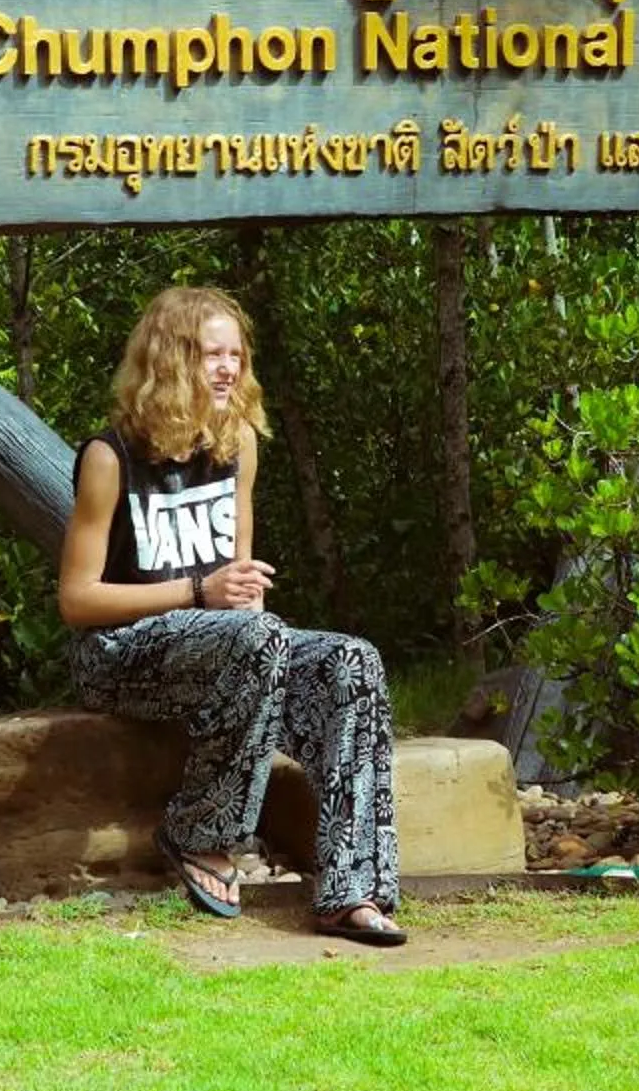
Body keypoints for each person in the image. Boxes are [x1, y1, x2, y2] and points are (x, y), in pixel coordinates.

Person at [57, 285, 404, 944]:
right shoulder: (110, 457)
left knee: (352, 663)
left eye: (236, 356)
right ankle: (199, 829)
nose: (228, 369)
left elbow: (241, 592)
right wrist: (197, 593)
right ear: (170, 362)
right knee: (255, 635)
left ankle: (350, 890)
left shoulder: (238, 441)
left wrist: (238, 613)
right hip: (120, 654)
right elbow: (78, 600)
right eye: (210, 355)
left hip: (232, 646)